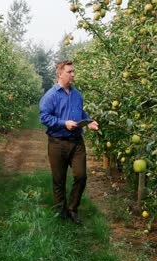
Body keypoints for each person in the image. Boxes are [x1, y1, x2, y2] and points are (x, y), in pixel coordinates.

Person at [39, 60, 99, 225]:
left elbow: (81, 112)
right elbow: (44, 117)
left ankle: (72, 208)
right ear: (60, 74)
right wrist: (63, 123)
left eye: (73, 71)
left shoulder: (76, 94)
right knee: (59, 179)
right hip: (57, 142)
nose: (73, 75)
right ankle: (61, 212)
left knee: (81, 176)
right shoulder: (51, 95)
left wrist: (89, 121)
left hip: (76, 142)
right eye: (70, 72)